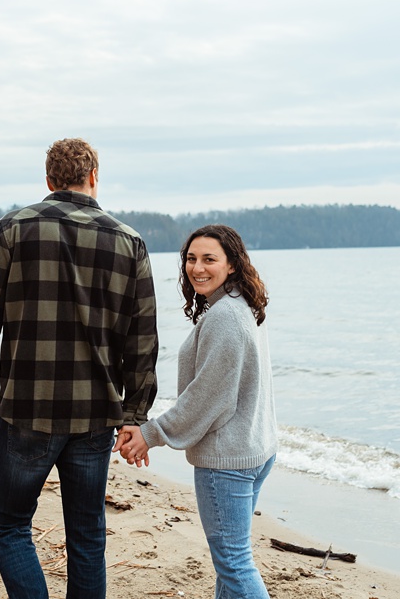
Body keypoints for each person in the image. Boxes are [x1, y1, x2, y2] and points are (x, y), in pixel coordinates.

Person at [0, 137, 159, 599]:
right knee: (87, 537)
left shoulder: (15, 228)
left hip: (28, 410)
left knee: (8, 526)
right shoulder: (131, 243)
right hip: (95, 415)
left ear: (48, 180)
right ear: (94, 178)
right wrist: (135, 414)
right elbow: (142, 342)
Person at [114, 224, 277, 599]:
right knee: (230, 566)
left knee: (234, 564)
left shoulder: (226, 316)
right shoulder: (239, 304)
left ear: (232, 264)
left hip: (228, 461)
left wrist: (150, 434)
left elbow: (208, 398)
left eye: (209, 259)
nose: (197, 268)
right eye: (191, 259)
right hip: (251, 448)